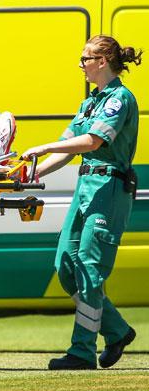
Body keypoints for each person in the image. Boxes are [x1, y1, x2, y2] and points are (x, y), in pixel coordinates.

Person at [21, 35, 142, 370]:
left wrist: (43, 148)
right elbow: (67, 147)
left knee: (88, 266)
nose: (81, 65)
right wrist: (30, 175)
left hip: (109, 188)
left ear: (102, 61)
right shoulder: (90, 102)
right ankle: (116, 330)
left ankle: (82, 351)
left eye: (85, 58)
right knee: (66, 265)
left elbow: (93, 141)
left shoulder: (119, 99)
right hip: (87, 185)